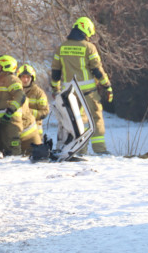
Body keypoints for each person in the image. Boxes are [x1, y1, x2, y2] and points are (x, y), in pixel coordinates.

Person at [51, 16, 113, 154]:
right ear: (85, 30)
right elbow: (97, 70)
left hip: (69, 93)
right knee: (96, 117)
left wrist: (55, 89)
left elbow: (55, 71)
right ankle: (100, 150)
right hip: (88, 92)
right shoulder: (89, 47)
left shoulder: (62, 47)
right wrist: (107, 85)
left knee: (76, 122)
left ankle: (80, 150)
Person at [0, 55, 28, 156]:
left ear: (6, 66)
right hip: (2, 121)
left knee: (13, 148)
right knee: (3, 148)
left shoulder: (11, 79)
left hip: (12, 121)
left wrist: (10, 111)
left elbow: (20, 95)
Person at [18, 63, 48, 155]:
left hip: (34, 132)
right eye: (23, 77)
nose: (25, 79)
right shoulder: (15, 91)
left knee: (34, 155)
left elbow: (44, 112)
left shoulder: (38, 93)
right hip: (18, 129)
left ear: (32, 78)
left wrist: (28, 113)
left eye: (28, 77)